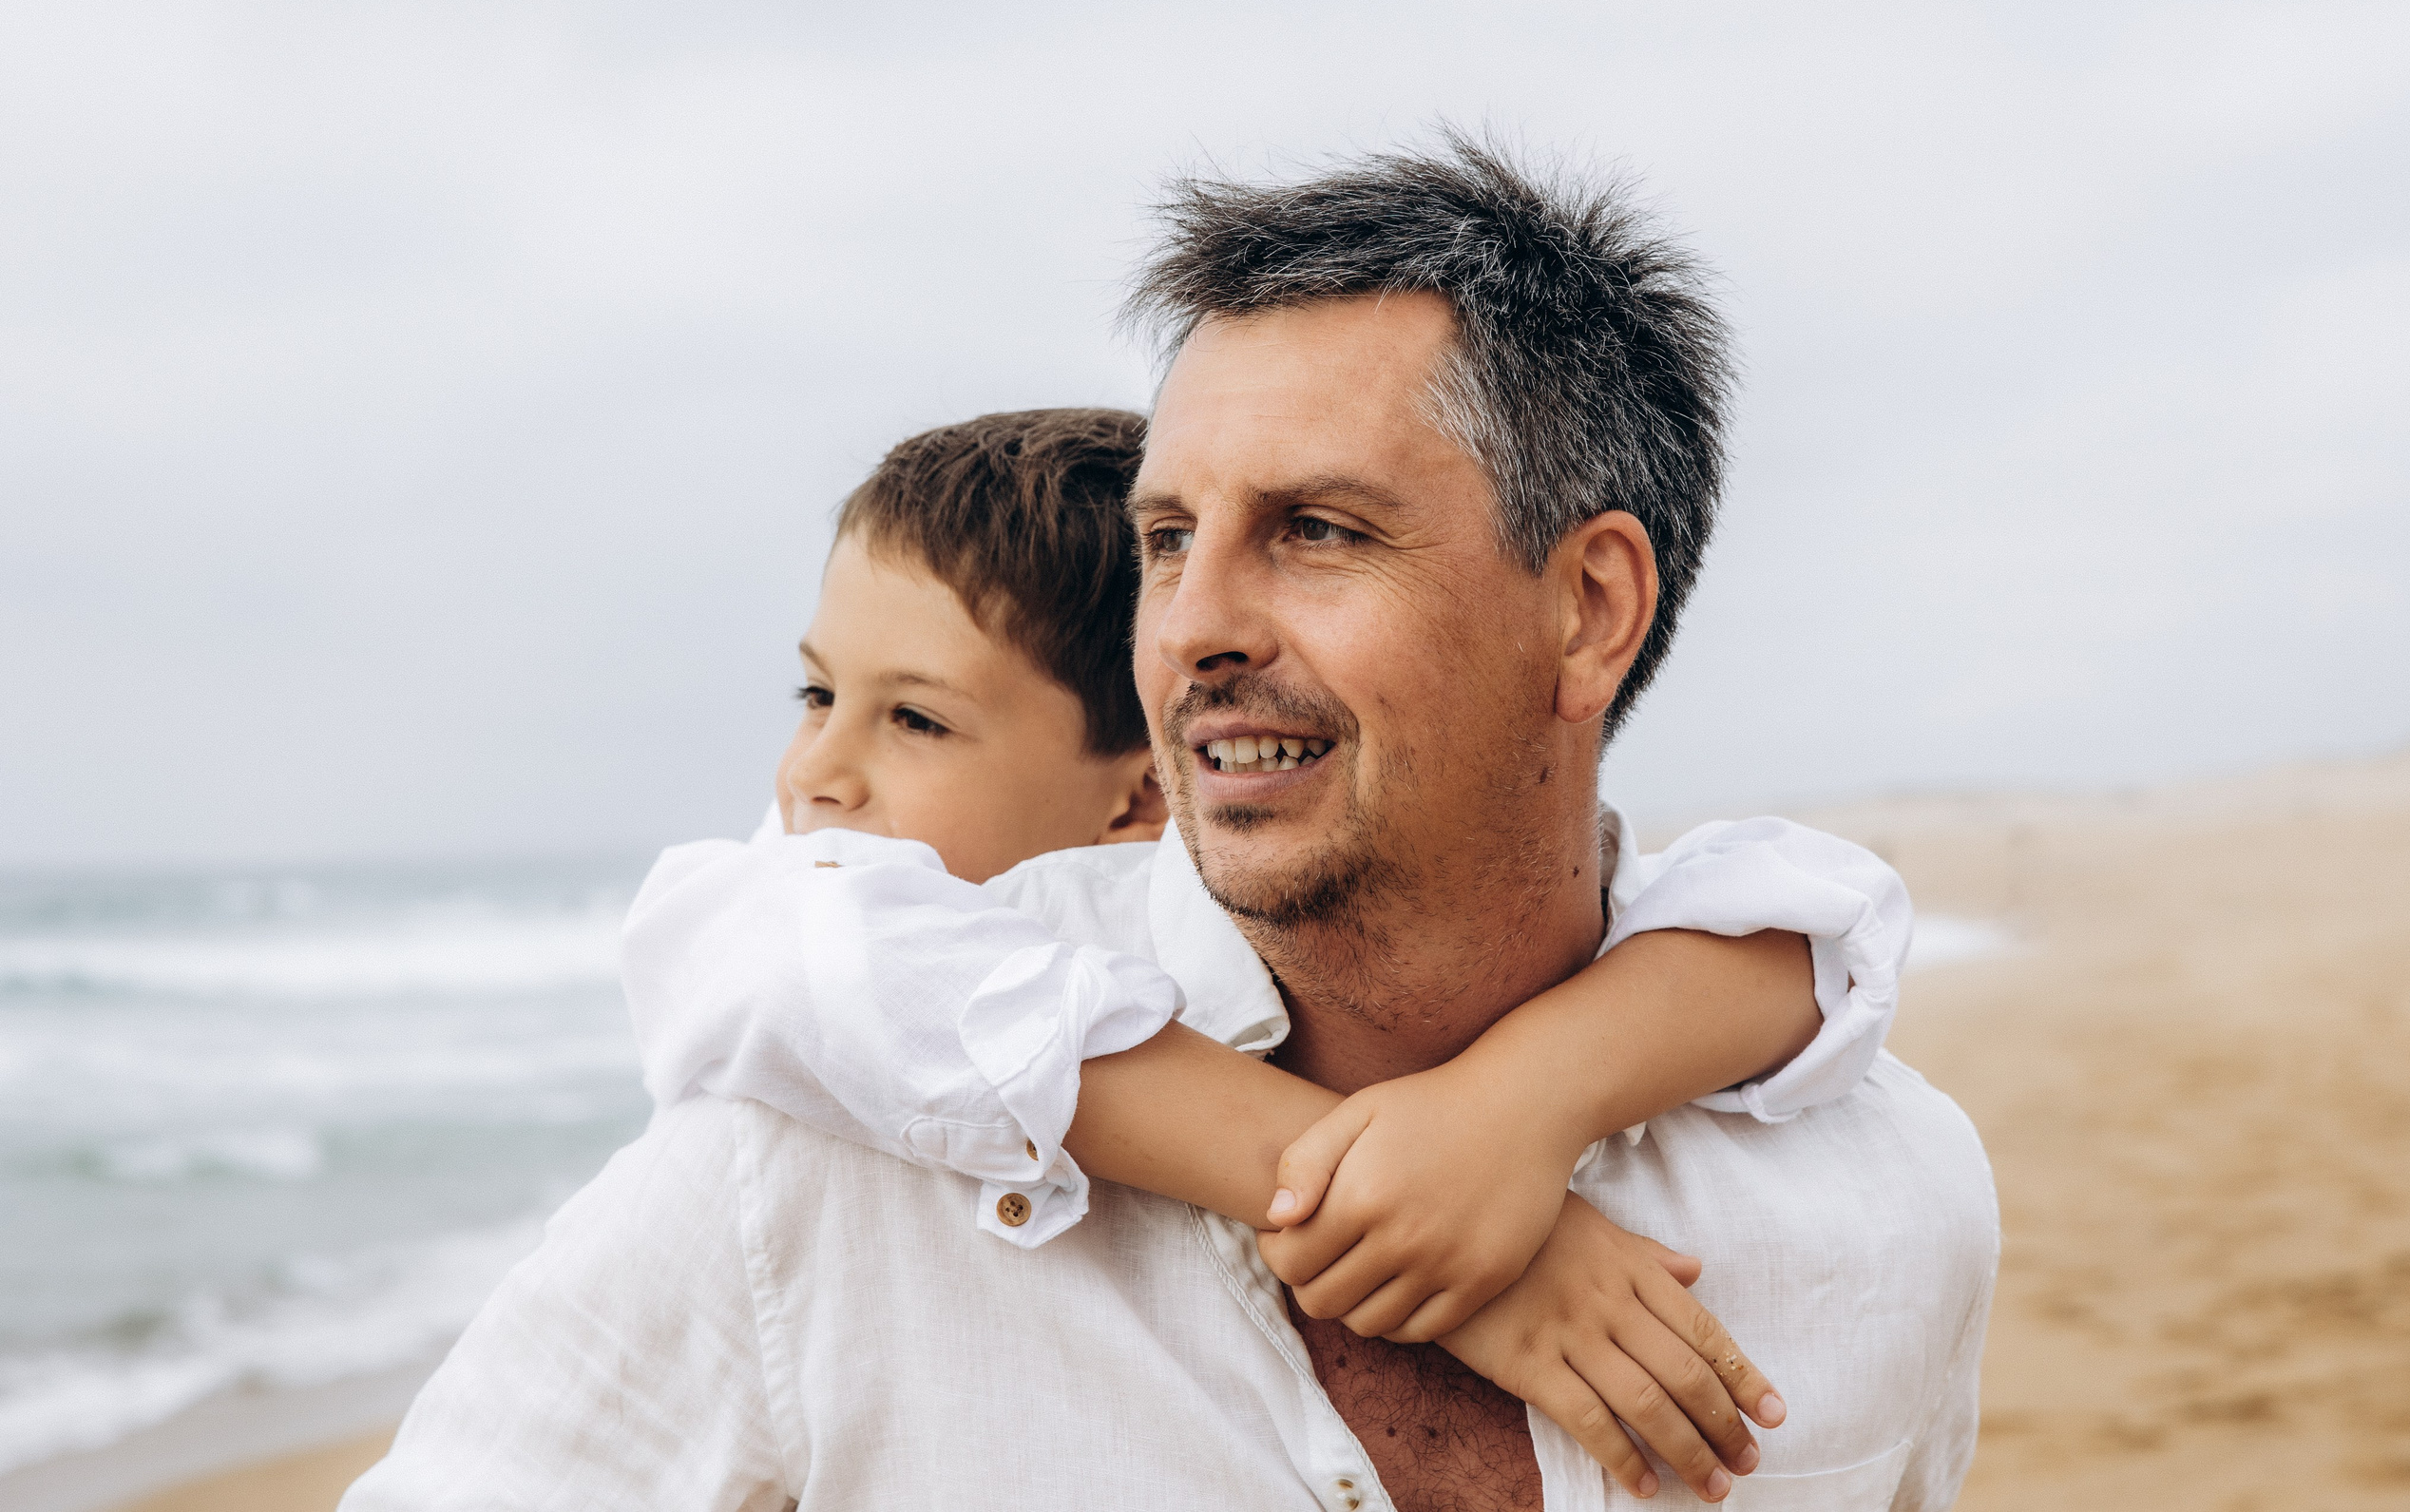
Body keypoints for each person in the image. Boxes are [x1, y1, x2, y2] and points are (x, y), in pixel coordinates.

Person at [344, 137, 1997, 1512]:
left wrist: (1527, 1104)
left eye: (1319, 531)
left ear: (1588, 609)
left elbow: (1823, 924)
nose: (1192, 628)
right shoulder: (821, 1166)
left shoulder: (1885, 1203)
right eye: (1163, 539)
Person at [610, 407, 1913, 1495]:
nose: (818, 775)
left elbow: (1819, 915)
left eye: (916, 723)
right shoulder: (798, 963)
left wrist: (1518, 1104)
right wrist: (1429, 1239)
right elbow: (803, 953)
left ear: (1143, 792)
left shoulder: (1244, 933)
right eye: (817, 695)